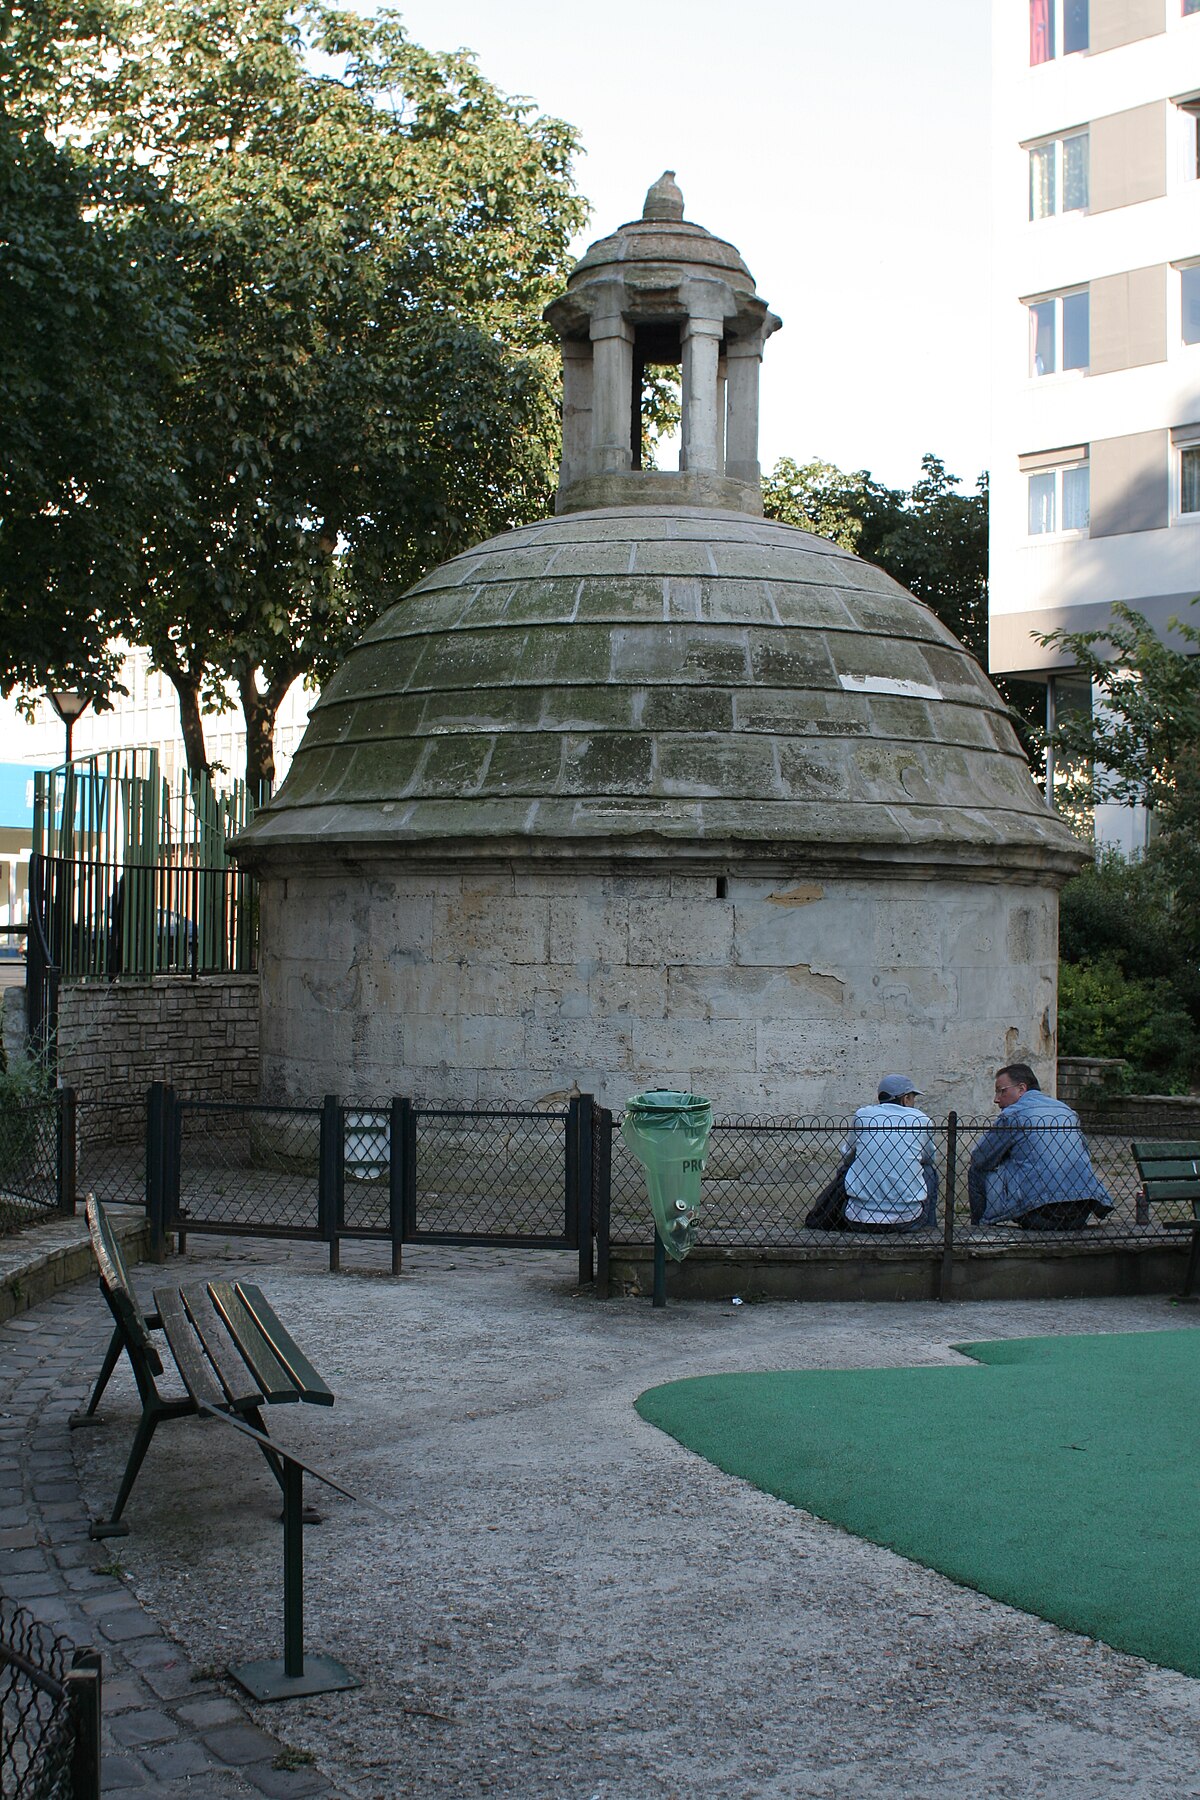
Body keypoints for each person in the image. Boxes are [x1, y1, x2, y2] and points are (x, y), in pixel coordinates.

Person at [968, 1063, 1113, 1230]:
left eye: (1002, 1091)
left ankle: (979, 1230)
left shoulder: (1013, 1115)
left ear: (1021, 1089)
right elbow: (1084, 1152)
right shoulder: (1066, 1111)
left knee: (976, 1170)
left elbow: (980, 1157)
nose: (996, 1099)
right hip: (1080, 1213)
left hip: (1038, 1214)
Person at [805, 1075, 937, 1232]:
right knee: (929, 1171)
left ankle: (837, 1213)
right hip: (908, 1220)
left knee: (848, 1169)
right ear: (906, 1098)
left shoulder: (863, 1115)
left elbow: (848, 1155)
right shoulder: (921, 1119)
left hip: (858, 1220)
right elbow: (929, 1158)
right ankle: (930, 1228)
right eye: (913, 1097)